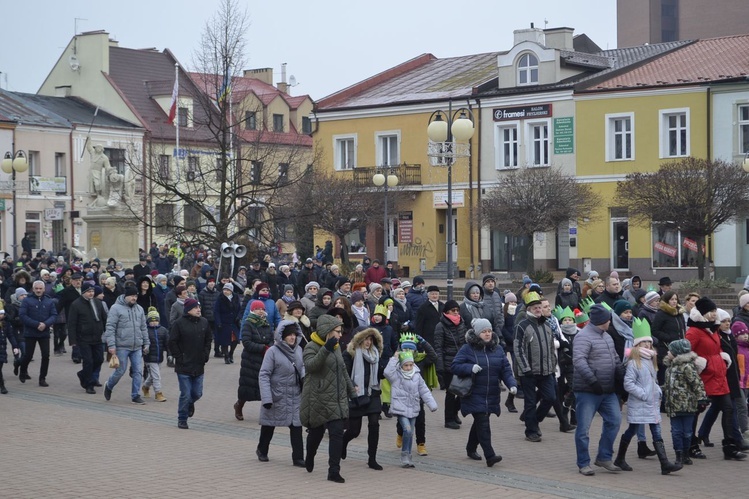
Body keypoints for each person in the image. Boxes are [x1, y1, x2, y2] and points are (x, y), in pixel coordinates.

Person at [614, 318, 682, 475]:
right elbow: (629, 384)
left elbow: (652, 380)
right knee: (632, 431)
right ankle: (620, 458)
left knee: (656, 432)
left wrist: (657, 390)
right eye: (644, 342)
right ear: (637, 345)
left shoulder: (651, 359)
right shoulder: (634, 362)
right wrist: (644, 394)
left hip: (651, 403)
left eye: (649, 342)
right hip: (641, 402)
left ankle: (664, 464)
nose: (647, 345)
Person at [451, 317, 517, 467]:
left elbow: (505, 370)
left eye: (489, 331)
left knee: (480, 422)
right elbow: (455, 366)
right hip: (473, 393)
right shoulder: (467, 349)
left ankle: (470, 448)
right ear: (477, 333)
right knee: (483, 422)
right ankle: (490, 455)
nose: (487, 334)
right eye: (484, 332)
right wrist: (469, 368)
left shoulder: (498, 349)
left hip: (491, 393)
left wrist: (511, 384)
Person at [686, 297, 746, 460]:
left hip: (719, 375)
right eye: (710, 312)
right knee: (695, 412)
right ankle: (691, 445)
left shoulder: (714, 329)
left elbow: (717, 348)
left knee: (728, 408)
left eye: (714, 311)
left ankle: (730, 446)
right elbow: (687, 353)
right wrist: (701, 363)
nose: (713, 314)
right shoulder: (694, 331)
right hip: (703, 376)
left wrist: (723, 358)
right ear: (702, 313)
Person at [300, 314, 357, 483]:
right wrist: (325, 349)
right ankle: (310, 456)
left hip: (337, 398)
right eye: (337, 332)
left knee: (337, 434)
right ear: (327, 331)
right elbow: (311, 367)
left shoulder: (337, 346)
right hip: (319, 398)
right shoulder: (311, 346)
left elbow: (343, 370)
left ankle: (334, 470)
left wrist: (352, 393)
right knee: (316, 435)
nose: (340, 335)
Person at [573, 304, 624, 476]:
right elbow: (579, 361)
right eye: (608, 319)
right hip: (588, 390)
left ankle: (604, 456)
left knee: (615, 421)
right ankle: (583, 463)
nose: (610, 321)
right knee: (583, 429)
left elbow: (615, 359)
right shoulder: (583, 337)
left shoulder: (607, 336)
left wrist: (621, 376)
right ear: (602, 321)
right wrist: (593, 381)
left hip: (607, 390)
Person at [256, 320, 306, 466]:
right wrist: (266, 398)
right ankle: (262, 450)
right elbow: (264, 374)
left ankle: (298, 457)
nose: (292, 337)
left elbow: (302, 367)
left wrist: (304, 378)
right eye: (289, 335)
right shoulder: (272, 351)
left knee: (296, 426)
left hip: (295, 394)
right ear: (281, 336)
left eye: (294, 335)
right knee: (269, 424)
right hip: (276, 394)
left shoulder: (298, 350)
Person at [514, 291, 557, 442]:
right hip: (529, 372)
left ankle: (534, 421)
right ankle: (531, 431)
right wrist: (525, 368)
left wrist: (552, 366)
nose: (538, 310)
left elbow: (551, 348)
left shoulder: (547, 325)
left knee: (550, 397)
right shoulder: (522, 326)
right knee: (530, 402)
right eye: (535, 308)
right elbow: (518, 349)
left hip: (546, 371)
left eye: (539, 307)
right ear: (529, 310)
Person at [385, 348, 438, 468]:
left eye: (411, 365)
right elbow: (387, 373)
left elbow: (424, 391)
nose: (409, 368)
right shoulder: (396, 376)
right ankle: (404, 455)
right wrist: (394, 359)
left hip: (413, 408)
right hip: (401, 408)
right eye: (406, 365)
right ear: (401, 365)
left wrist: (432, 404)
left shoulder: (417, 375)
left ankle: (408, 456)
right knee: (407, 430)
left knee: (410, 432)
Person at [342, 328, 384, 470]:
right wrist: (352, 386)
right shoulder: (350, 354)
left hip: (373, 392)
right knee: (354, 431)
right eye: (366, 339)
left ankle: (372, 458)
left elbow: (381, 374)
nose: (368, 342)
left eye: (371, 339)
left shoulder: (375, 354)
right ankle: (343, 442)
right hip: (356, 394)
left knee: (374, 424)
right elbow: (344, 373)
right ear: (359, 340)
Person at [168, 298, 212, 429]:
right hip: (184, 365)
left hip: (199, 364)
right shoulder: (179, 323)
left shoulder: (204, 322)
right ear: (188, 310)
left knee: (197, 393)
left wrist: (205, 354)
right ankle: (182, 418)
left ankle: (189, 404)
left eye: (199, 307)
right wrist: (179, 357)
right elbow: (172, 342)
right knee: (185, 394)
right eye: (195, 308)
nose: (198, 310)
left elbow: (209, 339)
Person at [663, 338, 707, 467]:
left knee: (687, 432)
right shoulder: (669, 368)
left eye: (670, 350)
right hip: (673, 406)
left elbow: (697, 383)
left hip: (687, 405)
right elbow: (668, 385)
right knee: (676, 431)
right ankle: (679, 454)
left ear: (677, 353)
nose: (667, 352)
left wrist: (701, 399)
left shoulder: (687, 367)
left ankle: (686, 453)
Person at [102, 286, 149, 404]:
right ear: (125, 296)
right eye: (132, 296)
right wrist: (111, 345)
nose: (134, 298)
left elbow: (144, 327)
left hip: (137, 345)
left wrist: (146, 342)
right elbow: (110, 327)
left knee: (138, 371)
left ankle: (135, 395)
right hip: (122, 345)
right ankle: (109, 385)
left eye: (136, 296)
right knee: (120, 371)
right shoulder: (116, 308)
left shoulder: (139, 309)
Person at [235, 300, 274, 420]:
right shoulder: (248, 323)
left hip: (264, 358)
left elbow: (271, 338)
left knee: (266, 387)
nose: (260, 311)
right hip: (251, 360)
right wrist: (262, 347)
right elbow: (246, 342)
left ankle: (267, 412)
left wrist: (270, 347)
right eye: (258, 309)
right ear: (252, 310)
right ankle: (239, 405)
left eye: (262, 309)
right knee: (248, 386)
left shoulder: (266, 323)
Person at [67, 282, 107, 394]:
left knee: (99, 359)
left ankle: (83, 374)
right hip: (83, 338)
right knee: (88, 361)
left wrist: (106, 331)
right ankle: (89, 384)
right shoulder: (76, 304)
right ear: (83, 292)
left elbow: (104, 319)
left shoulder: (98, 303)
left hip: (97, 337)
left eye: (92, 291)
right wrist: (73, 340)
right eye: (88, 291)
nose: (91, 293)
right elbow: (72, 323)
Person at [434, 299, 467, 429]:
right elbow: (438, 347)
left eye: (457, 310)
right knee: (451, 392)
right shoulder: (440, 326)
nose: (456, 312)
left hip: (461, 362)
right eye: (453, 310)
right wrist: (440, 366)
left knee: (462, 391)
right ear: (446, 312)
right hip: (448, 363)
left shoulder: (462, 323)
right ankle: (448, 419)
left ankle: (454, 412)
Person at [18, 280, 58, 386]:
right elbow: (22, 315)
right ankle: (23, 370)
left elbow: (54, 315)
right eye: (36, 288)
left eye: (40, 288)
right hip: (30, 332)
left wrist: (45, 324)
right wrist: (36, 324)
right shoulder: (27, 301)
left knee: (46, 356)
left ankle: (42, 378)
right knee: (28, 355)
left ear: (44, 289)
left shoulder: (49, 301)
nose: (38, 290)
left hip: (44, 333)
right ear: (33, 289)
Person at [651, 291, 686, 385]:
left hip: (679, 348)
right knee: (665, 377)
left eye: (675, 299)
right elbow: (654, 330)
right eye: (671, 299)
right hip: (666, 349)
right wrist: (668, 337)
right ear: (667, 301)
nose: (674, 301)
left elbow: (682, 329)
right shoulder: (661, 314)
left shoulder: (679, 313)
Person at [142, 307, 168, 402]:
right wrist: (143, 350)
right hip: (149, 358)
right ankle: (158, 393)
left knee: (152, 375)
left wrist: (169, 354)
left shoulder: (163, 330)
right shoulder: (145, 331)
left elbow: (167, 343)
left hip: (159, 357)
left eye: (156, 320)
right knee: (156, 376)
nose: (154, 322)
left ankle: (145, 386)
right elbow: (142, 343)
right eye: (151, 321)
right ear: (148, 321)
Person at [214, 282, 241, 365]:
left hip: (234, 322)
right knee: (224, 341)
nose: (226, 291)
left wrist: (238, 317)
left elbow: (239, 308)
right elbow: (216, 311)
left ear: (231, 291)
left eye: (228, 290)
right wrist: (218, 322)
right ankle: (226, 356)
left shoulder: (236, 297)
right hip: (224, 322)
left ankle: (231, 353)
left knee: (235, 340)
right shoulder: (220, 298)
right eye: (224, 289)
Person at [0, 301, 20, 394]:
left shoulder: (6, 323)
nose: (1, 315)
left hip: (2, 348)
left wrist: (15, 346)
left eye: (2, 314)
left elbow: (10, 335)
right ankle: (2, 385)